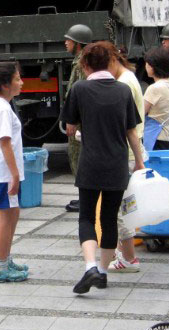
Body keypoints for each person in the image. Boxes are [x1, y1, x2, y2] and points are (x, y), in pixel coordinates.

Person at [60, 42, 145, 294]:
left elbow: (70, 127)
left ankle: (90, 267)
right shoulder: (123, 91)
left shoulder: (79, 89)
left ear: (85, 65)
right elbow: (131, 132)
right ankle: (104, 272)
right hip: (117, 164)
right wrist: (139, 161)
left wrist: (78, 129)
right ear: (110, 62)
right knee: (109, 219)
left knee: (86, 216)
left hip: (90, 164)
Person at [0, 62, 29, 283]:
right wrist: (15, 174)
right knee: (5, 218)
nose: (21, 82)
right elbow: (5, 143)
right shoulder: (1, 108)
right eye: (18, 78)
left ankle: (5, 259)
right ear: (5, 84)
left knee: (12, 215)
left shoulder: (0, 104)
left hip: (3, 173)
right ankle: (1, 266)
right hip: (3, 174)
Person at [107, 46, 146, 273]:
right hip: (131, 152)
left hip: (126, 153)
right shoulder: (128, 78)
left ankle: (129, 258)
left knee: (120, 209)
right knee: (124, 206)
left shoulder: (125, 84)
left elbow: (127, 126)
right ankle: (125, 254)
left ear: (114, 60)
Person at [61, 24, 92, 213]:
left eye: (69, 40)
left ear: (78, 43)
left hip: (80, 123)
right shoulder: (80, 61)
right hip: (80, 121)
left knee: (78, 158)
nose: (66, 43)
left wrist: (73, 120)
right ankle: (83, 197)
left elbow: (80, 95)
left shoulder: (82, 64)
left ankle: (85, 199)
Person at [143, 47, 169, 151]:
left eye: (147, 64)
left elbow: (140, 113)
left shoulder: (154, 88)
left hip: (157, 137)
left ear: (152, 67)